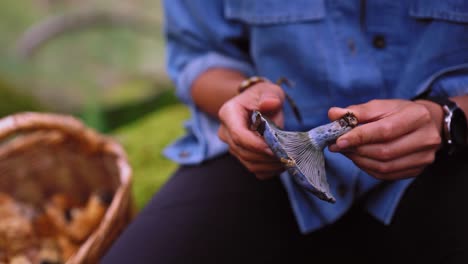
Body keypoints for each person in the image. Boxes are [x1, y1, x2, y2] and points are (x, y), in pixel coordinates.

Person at [102, 1, 468, 263]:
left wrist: (447, 117)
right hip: (275, 166)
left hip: (451, 151)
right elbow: (197, 56)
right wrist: (244, 96)